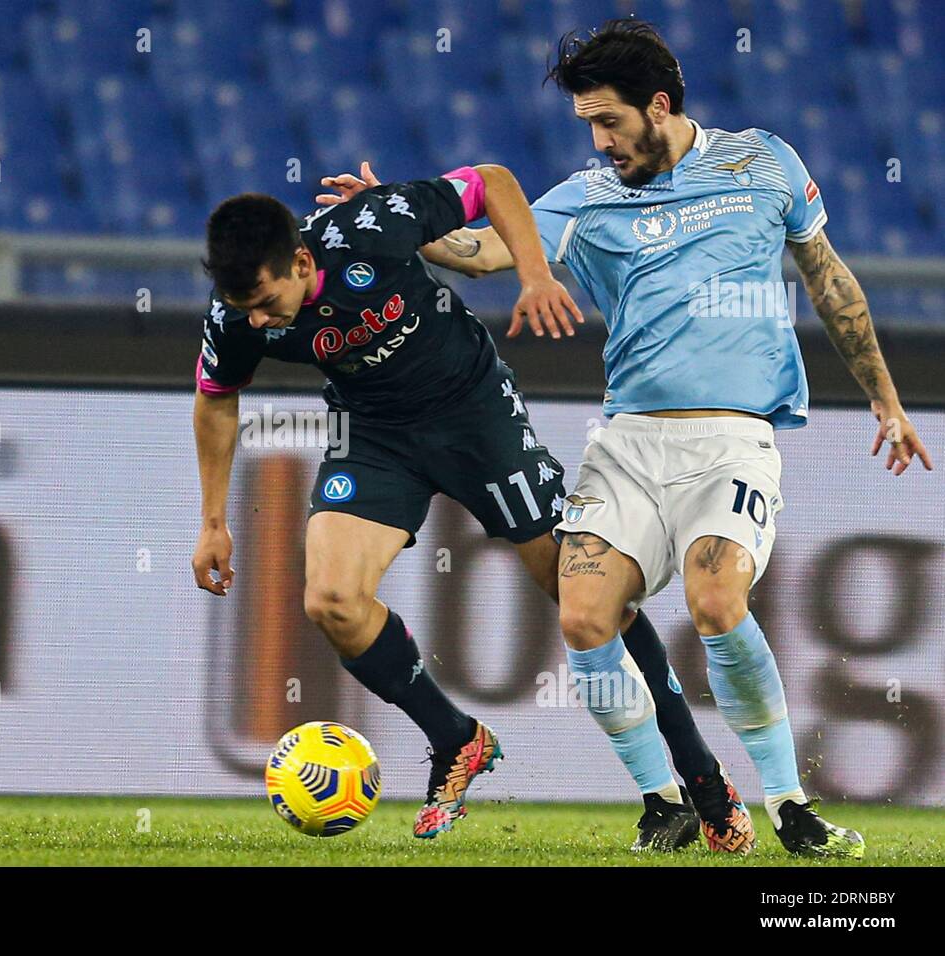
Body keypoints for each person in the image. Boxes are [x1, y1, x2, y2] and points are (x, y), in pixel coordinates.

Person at [328, 19, 932, 856]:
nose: (600, 141)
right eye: (587, 126)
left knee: (717, 602)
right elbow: (481, 251)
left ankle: (792, 807)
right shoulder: (585, 199)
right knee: (582, 619)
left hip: (732, 442)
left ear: (659, 105)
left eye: (609, 122)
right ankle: (664, 800)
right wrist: (391, 221)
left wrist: (887, 402)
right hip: (629, 442)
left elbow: (829, 280)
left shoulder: (765, 163)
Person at [193, 158, 732, 846]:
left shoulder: (371, 226)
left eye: (269, 301)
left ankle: (696, 775)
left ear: (301, 260)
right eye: (248, 311)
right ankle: (457, 738)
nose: (262, 320)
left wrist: (536, 275)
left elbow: (494, 180)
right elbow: (215, 400)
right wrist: (212, 521)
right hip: (375, 435)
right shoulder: (234, 316)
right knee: (331, 599)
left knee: (583, 595)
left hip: (474, 414)